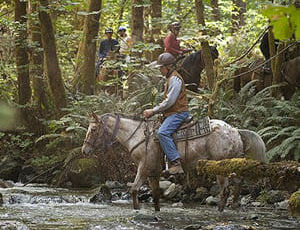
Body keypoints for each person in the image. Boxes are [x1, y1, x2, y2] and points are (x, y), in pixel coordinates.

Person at [143, 53, 190, 175]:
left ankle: (176, 163)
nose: (160, 70)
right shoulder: (169, 79)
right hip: (172, 113)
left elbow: (170, 101)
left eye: (161, 67)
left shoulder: (175, 79)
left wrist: (153, 111)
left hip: (179, 113)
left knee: (162, 133)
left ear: (168, 67)